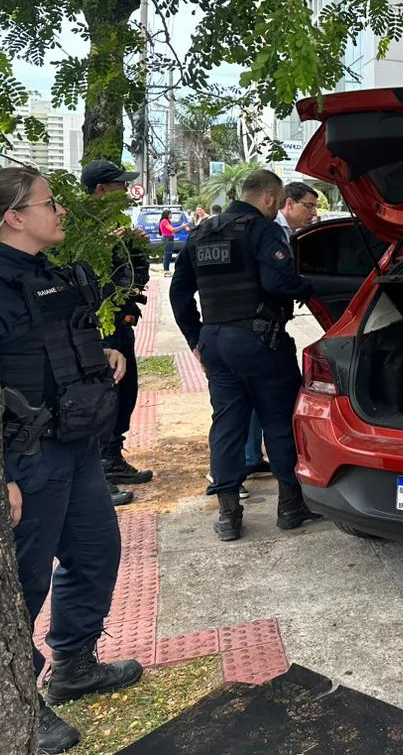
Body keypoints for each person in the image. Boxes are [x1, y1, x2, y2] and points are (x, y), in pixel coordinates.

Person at [0, 167, 144, 755]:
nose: (60, 211)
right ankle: (19, 702)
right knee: (21, 583)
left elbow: (59, 344)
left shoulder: (49, 272)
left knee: (96, 551)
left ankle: (73, 663)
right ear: (14, 218)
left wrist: (108, 356)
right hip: (26, 458)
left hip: (74, 446)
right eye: (48, 204)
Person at [169, 170, 322, 541]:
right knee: (278, 421)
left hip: (215, 342)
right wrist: (315, 286)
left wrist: (196, 339)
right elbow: (276, 284)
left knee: (227, 424)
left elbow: (178, 294)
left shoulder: (203, 231)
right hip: (259, 343)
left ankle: (228, 515)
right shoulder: (261, 229)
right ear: (270, 198)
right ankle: (290, 506)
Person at [81, 159, 153, 506]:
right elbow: (87, 282)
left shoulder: (118, 226)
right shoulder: (82, 230)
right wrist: (108, 245)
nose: (125, 191)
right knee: (102, 401)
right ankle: (97, 477)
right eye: (118, 186)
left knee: (126, 395)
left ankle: (113, 458)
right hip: (99, 330)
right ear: (100, 190)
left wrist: (137, 251)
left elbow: (136, 282)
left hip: (122, 323)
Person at [244, 181, 320, 480]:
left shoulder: (288, 232)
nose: (313, 213)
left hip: (257, 328)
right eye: (309, 206)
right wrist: (304, 288)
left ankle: (250, 458)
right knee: (268, 403)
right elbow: (275, 282)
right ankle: (276, 479)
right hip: (257, 329)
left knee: (251, 399)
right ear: (288, 203)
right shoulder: (269, 230)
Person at [159, 210, 186, 274]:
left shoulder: (167, 221)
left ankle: (166, 270)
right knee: (167, 255)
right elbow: (173, 230)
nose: (171, 215)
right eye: (170, 214)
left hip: (169, 238)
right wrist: (182, 226)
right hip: (167, 239)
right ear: (167, 214)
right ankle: (166, 271)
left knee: (168, 254)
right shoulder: (165, 221)